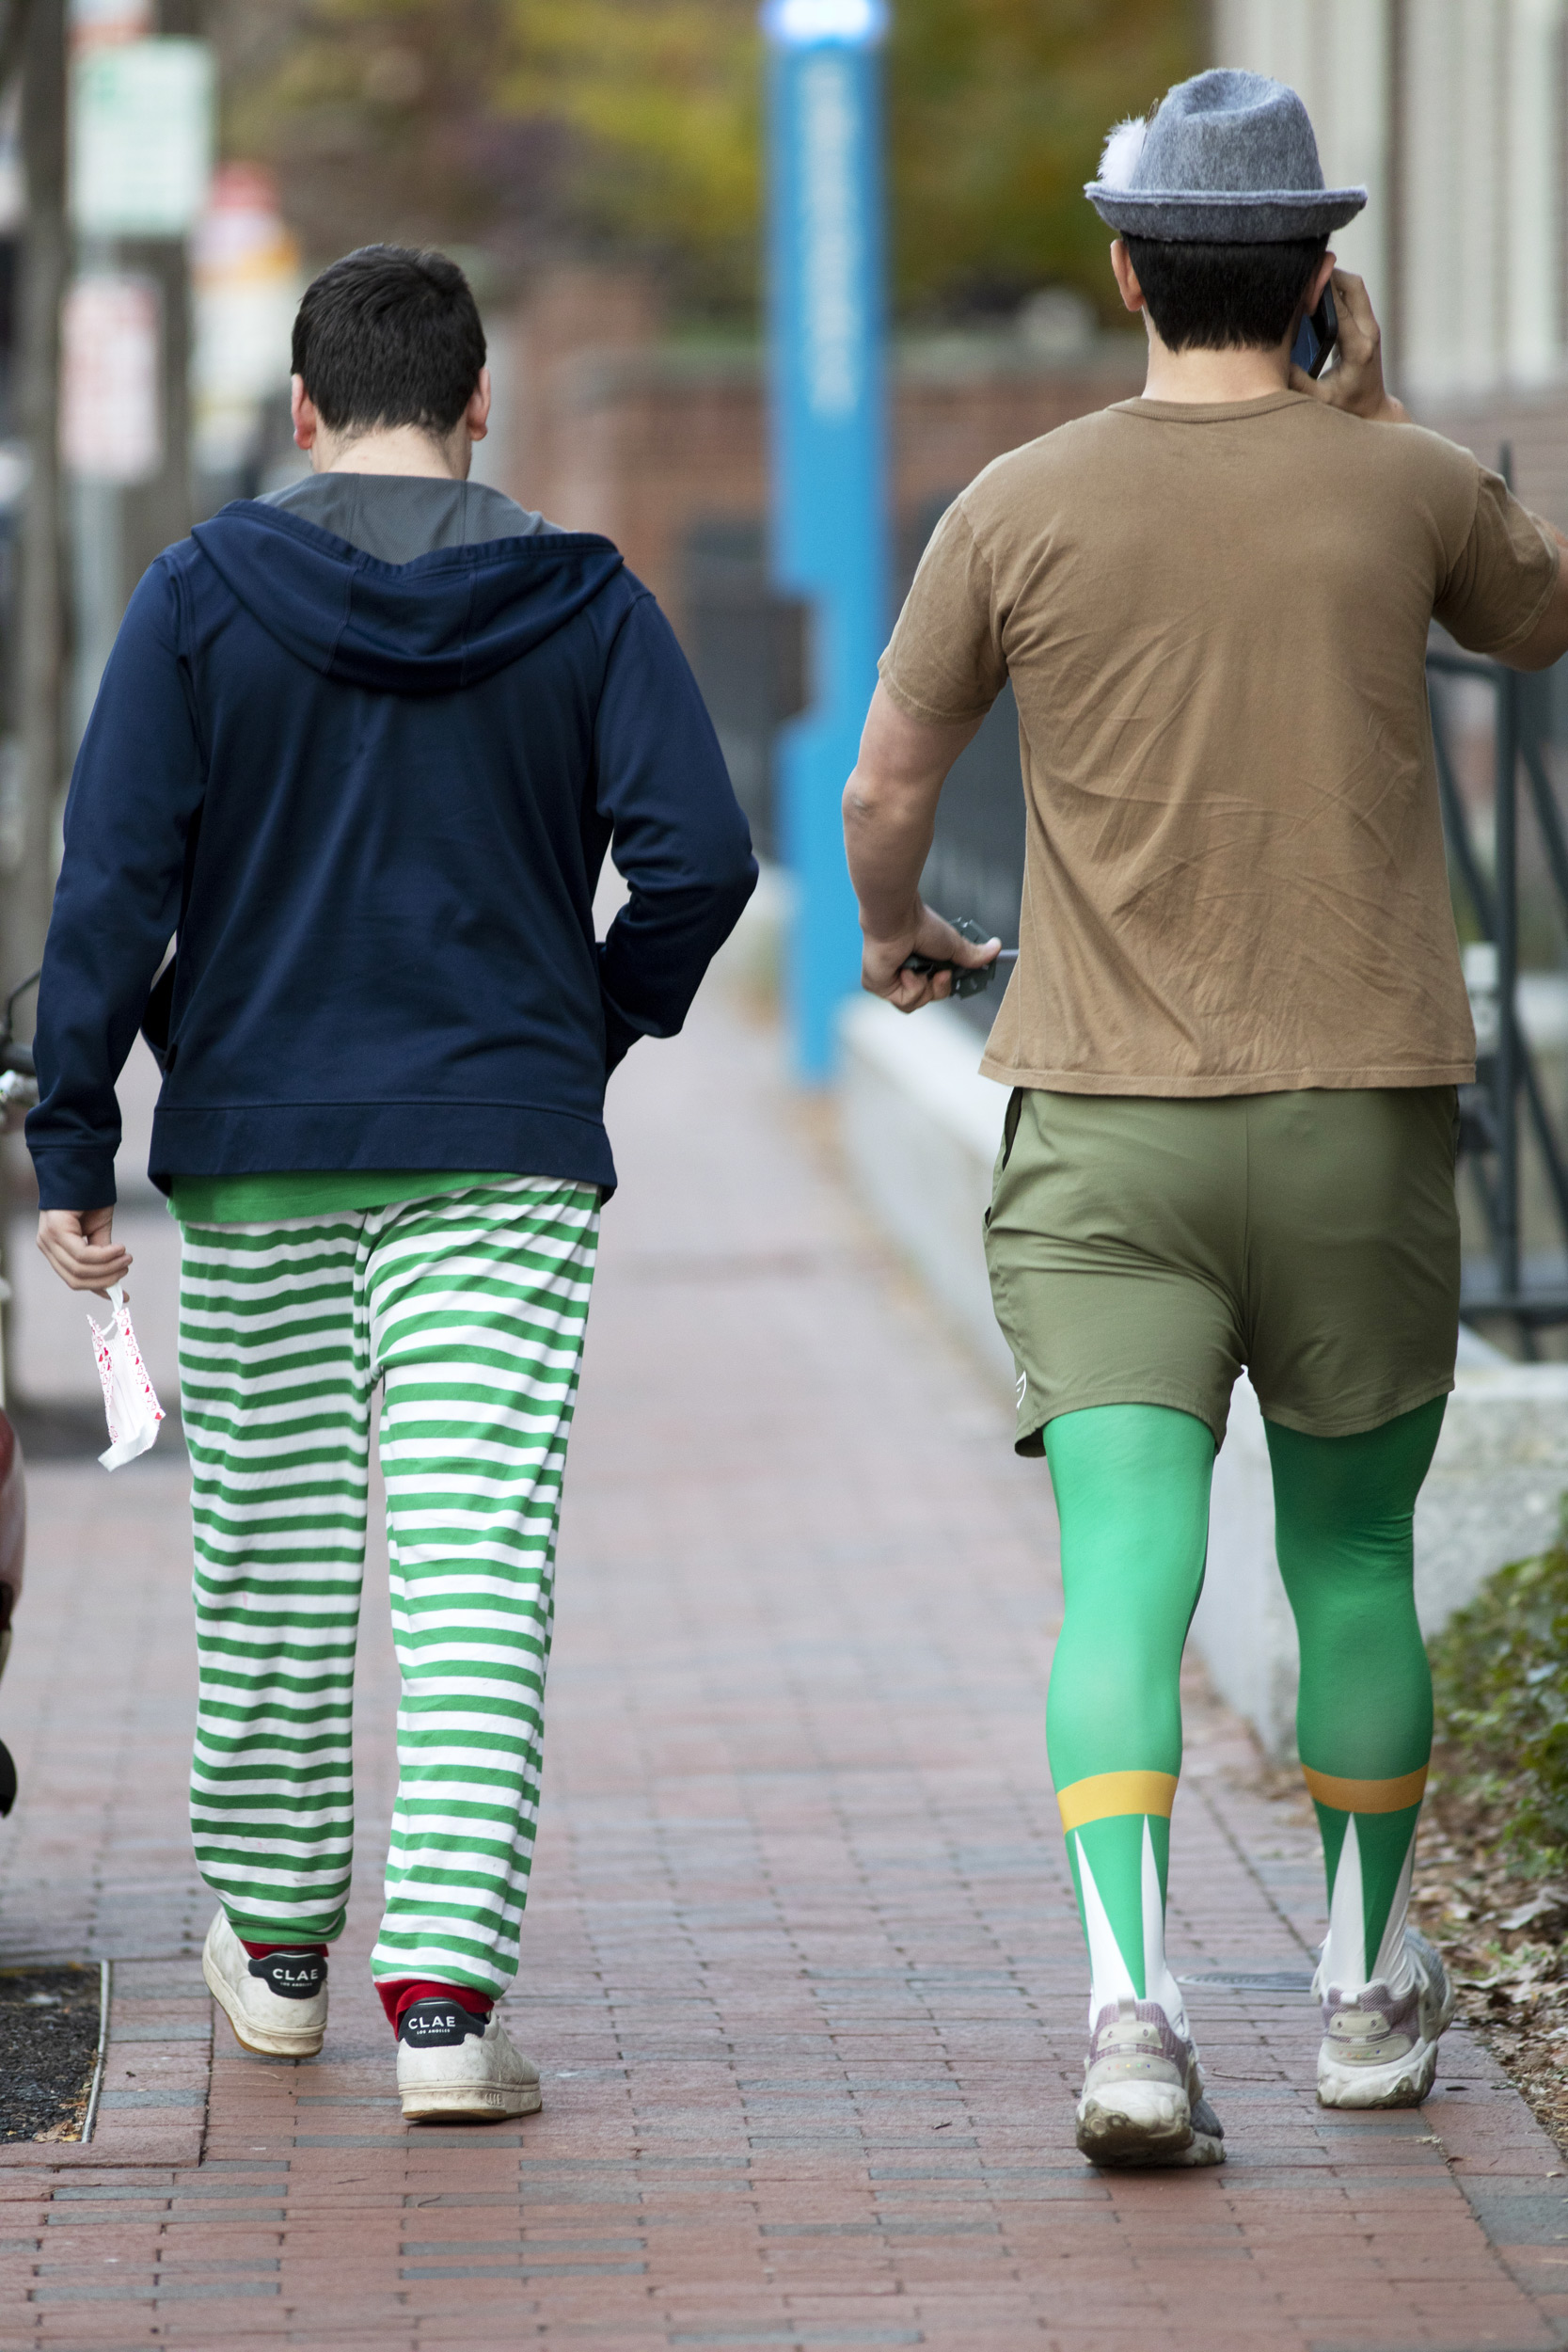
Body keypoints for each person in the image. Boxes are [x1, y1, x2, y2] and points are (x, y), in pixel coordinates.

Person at [843, 69, 1568, 2169]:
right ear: (1318, 275)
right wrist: (1382, 420)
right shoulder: (1407, 484)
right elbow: (1540, 612)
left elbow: (891, 789)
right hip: (1361, 1115)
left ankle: (1135, 2019)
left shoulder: (1020, 499)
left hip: (1106, 1133)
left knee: (1123, 1581)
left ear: (1126, 264)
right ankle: (1359, 1995)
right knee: (1351, 1561)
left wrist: (899, 935)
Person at [28, 245, 755, 2123]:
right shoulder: (585, 600)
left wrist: (72, 1141)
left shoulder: (199, 595)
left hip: (261, 1149)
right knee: (474, 1570)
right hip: (500, 1161)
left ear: (300, 407)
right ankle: (442, 2007)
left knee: (268, 1557)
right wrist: (584, 1024)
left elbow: (111, 879)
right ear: (479, 403)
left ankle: (275, 1962)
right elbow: (697, 859)